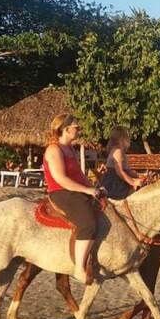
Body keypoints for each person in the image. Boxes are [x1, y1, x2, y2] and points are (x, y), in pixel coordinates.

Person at [43, 114, 100, 284]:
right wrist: (87, 190)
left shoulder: (71, 150)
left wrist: (94, 187)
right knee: (88, 224)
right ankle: (79, 268)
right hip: (61, 192)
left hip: (75, 190)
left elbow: (79, 175)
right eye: (77, 127)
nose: (79, 130)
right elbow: (61, 179)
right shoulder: (54, 149)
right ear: (66, 129)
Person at [100, 126, 142, 200]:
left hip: (118, 180)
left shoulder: (120, 151)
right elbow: (119, 171)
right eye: (128, 137)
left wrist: (138, 175)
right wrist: (133, 182)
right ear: (122, 139)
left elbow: (126, 170)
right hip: (114, 184)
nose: (129, 140)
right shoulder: (118, 152)